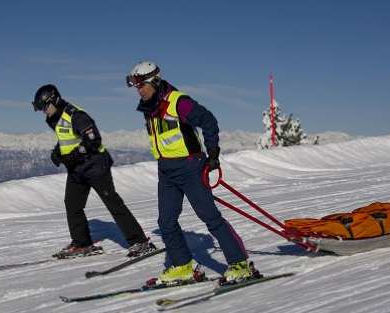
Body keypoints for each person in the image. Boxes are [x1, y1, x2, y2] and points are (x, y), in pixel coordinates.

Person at [126, 61, 256, 285]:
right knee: (166, 221)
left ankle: (240, 263)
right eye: (136, 87)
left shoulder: (178, 102)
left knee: (210, 217)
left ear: (155, 82)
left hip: (190, 167)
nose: (139, 91)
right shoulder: (149, 107)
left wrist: (213, 153)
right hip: (166, 170)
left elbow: (208, 120)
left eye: (142, 85)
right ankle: (182, 265)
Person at [32, 84, 156, 259]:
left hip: (95, 165)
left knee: (112, 202)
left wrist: (74, 155)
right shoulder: (56, 117)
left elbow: (93, 140)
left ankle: (140, 242)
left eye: (45, 107)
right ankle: (82, 244)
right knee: (72, 204)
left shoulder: (75, 115)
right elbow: (69, 138)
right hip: (77, 169)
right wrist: (58, 152)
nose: (44, 111)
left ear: (55, 100)